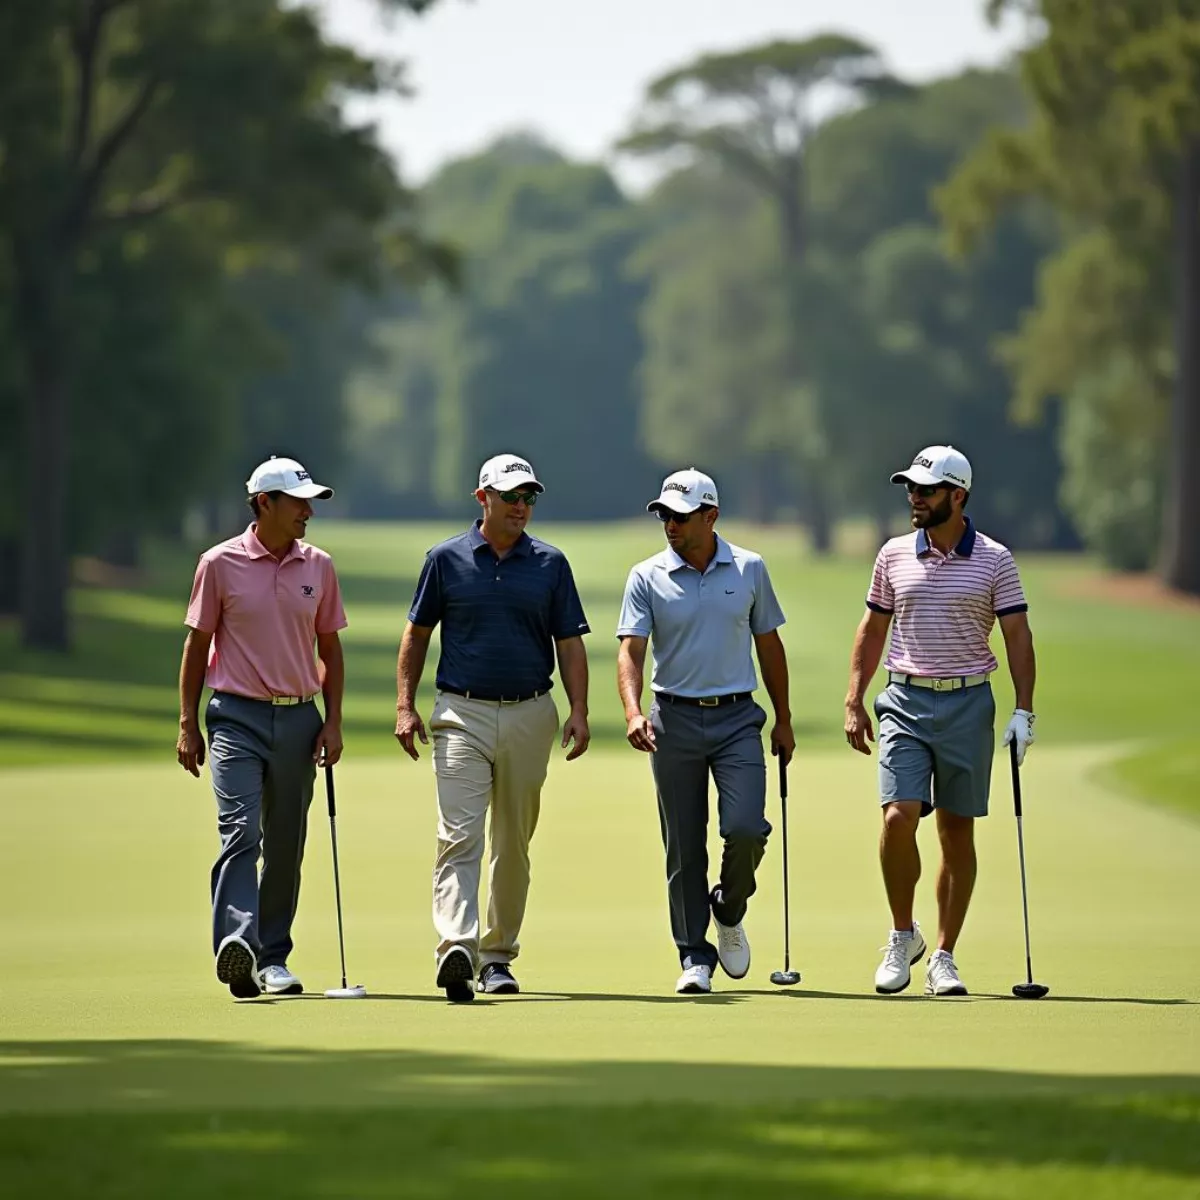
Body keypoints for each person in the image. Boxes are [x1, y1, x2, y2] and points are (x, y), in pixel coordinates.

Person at [394, 453, 591, 1003]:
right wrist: (405, 706)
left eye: (529, 497)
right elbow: (417, 635)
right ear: (483, 498)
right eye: (511, 497)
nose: (522, 507)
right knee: (459, 834)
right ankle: (457, 945)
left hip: (531, 712)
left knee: (513, 841)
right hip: (462, 713)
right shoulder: (446, 559)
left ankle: (498, 954)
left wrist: (579, 709)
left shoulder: (551, 564)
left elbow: (569, 644)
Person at [844, 444, 1036, 997]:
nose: (914, 498)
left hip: (968, 703)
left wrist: (1024, 710)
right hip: (903, 700)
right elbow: (873, 629)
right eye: (911, 488)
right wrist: (855, 698)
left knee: (956, 832)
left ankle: (944, 957)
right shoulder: (894, 555)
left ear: (958, 495)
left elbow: (1018, 637)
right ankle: (903, 935)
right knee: (898, 818)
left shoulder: (996, 560)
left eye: (925, 490)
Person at [616, 468, 795, 995]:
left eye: (680, 515)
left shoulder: (749, 568)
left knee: (745, 828)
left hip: (738, 717)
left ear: (710, 516)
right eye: (664, 515)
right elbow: (630, 650)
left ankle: (730, 906)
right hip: (672, 718)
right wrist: (632, 712)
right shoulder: (646, 575)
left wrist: (783, 718)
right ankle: (695, 954)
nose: (669, 524)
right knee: (683, 845)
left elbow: (769, 645)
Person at [177, 455, 347, 999]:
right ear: (265, 504)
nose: (307, 513)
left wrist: (334, 722)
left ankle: (273, 958)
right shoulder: (219, 563)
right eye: (298, 503)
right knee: (241, 831)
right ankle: (239, 945)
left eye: (310, 503)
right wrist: (187, 722)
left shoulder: (318, 565)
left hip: (300, 716)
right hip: (236, 716)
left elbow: (330, 648)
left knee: (286, 841)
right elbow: (197, 645)